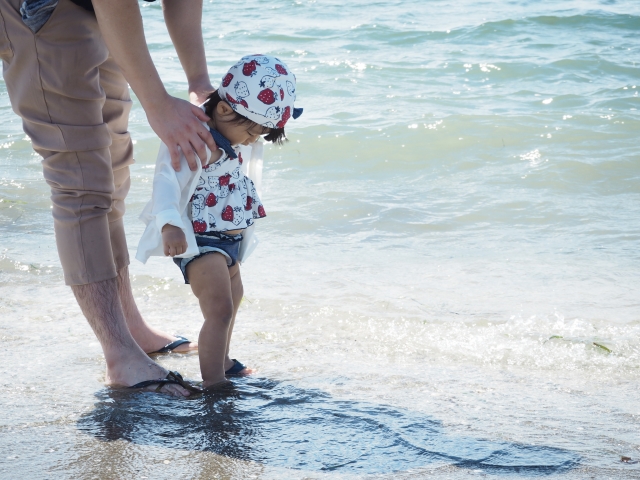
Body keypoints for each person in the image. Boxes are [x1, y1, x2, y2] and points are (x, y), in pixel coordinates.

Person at [0, 0, 219, 396]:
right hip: (43, 11)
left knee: (113, 171)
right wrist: (158, 105)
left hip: (97, 12)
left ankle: (130, 327)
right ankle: (120, 356)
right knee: (81, 182)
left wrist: (197, 78)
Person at [136, 54, 302, 390]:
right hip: (199, 239)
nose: (255, 139)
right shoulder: (197, 139)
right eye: (253, 130)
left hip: (229, 240)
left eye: (262, 133)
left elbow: (246, 131)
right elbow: (166, 180)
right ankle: (214, 383)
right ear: (225, 111)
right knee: (219, 309)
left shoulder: (232, 135)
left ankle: (223, 359)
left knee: (234, 298)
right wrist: (169, 224)